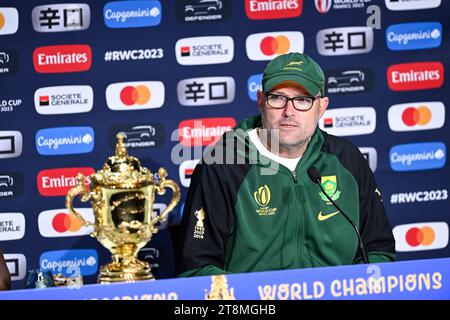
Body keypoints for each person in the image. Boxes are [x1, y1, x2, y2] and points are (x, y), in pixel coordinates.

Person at [175, 52, 395, 277]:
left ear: (322, 107)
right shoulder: (222, 165)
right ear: (261, 101)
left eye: (302, 100)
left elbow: (379, 251)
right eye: (278, 98)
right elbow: (196, 268)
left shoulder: (347, 159)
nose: (289, 112)